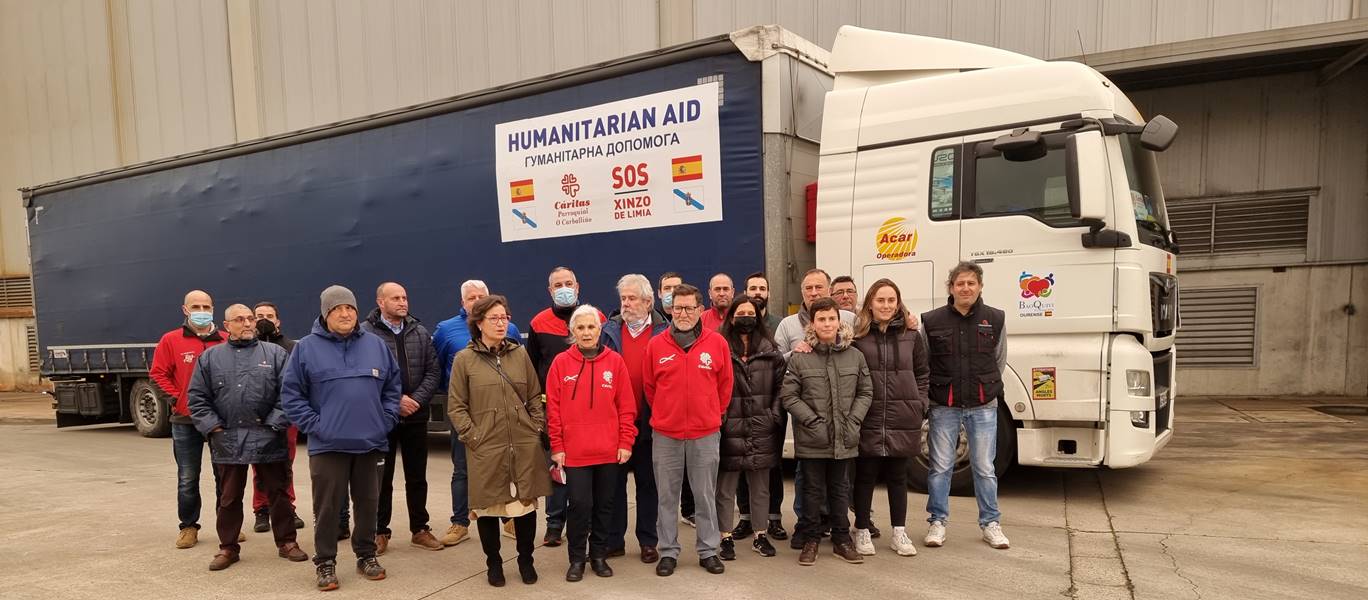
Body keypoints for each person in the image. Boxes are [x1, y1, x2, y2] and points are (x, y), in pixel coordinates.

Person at [281, 285, 401, 591]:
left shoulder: (375, 345)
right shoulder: (306, 348)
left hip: (370, 443)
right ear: (325, 314)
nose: (345, 314)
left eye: (350, 308)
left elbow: (391, 388)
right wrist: (317, 426)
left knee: (368, 504)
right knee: (327, 507)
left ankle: (366, 555)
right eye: (337, 309)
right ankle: (325, 562)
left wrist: (384, 421)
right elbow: (292, 395)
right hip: (327, 445)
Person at [186, 304, 308, 570]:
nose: (248, 323)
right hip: (228, 440)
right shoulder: (210, 358)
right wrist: (214, 427)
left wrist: (275, 424)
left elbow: (290, 393)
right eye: (239, 319)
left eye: (250, 318)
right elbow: (197, 397)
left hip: (269, 438)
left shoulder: (276, 354)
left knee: (279, 493)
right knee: (228, 497)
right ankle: (228, 548)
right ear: (226, 326)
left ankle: (287, 542)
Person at [448, 295, 551, 587]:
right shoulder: (464, 360)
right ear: (478, 323)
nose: (501, 323)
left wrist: (535, 427)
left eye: (504, 317)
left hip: (522, 444)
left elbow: (534, 395)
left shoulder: (519, 355)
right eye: (494, 318)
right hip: (486, 447)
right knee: (488, 509)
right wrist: (474, 436)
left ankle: (526, 560)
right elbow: (456, 407)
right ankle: (494, 563)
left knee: (524, 508)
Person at [919, 262, 1010, 550]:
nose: (966, 288)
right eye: (960, 283)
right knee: (940, 467)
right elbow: (924, 361)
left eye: (971, 283)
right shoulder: (931, 321)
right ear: (951, 287)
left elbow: (999, 359)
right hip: (943, 404)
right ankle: (937, 522)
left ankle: (991, 524)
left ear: (980, 287)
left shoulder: (995, 318)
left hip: (983, 404)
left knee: (984, 467)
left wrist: (984, 388)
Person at [644, 284, 733, 577]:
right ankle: (668, 551)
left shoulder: (717, 343)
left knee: (705, 495)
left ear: (699, 310)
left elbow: (725, 386)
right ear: (671, 309)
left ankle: (708, 550)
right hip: (666, 434)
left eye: (689, 308)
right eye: (677, 307)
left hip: (705, 433)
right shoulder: (656, 345)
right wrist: (668, 414)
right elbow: (650, 388)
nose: (683, 313)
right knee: (667, 496)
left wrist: (708, 415)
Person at [547, 304, 638, 582]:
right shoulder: (561, 363)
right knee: (579, 506)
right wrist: (557, 447)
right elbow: (553, 409)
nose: (586, 333)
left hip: (609, 451)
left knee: (604, 506)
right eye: (581, 327)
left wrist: (626, 442)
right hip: (575, 453)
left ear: (600, 330)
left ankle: (598, 555)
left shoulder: (615, 362)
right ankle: (577, 559)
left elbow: (626, 407)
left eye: (592, 327)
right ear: (572, 331)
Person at [779, 297, 872, 566]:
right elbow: (789, 396)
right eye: (822, 319)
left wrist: (854, 421)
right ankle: (811, 540)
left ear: (839, 321)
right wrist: (813, 422)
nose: (827, 323)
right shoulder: (801, 357)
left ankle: (842, 540)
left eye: (832, 318)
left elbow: (866, 392)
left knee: (840, 489)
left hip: (845, 436)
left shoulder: (855, 355)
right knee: (812, 491)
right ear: (813, 323)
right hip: (813, 438)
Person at [431, 279, 521, 546]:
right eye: (471, 298)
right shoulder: (446, 331)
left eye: (482, 296)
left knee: (503, 466)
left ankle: (507, 519)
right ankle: (460, 522)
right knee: (463, 469)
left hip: (501, 410)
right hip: (466, 412)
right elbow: (436, 368)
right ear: (463, 303)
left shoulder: (509, 327)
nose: (477, 301)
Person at [771, 269, 857, 548]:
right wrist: (796, 351)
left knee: (839, 484)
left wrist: (852, 420)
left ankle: (837, 527)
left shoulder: (851, 325)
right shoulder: (787, 326)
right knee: (807, 481)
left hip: (842, 426)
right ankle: (807, 527)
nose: (813, 292)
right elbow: (780, 371)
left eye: (819, 287)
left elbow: (863, 382)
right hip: (810, 429)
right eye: (808, 288)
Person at [359, 283, 444, 554]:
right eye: (395, 298)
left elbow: (433, 371)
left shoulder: (419, 331)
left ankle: (420, 528)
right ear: (380, 302)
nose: (402, 302)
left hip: (416, 416)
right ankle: (380, 531)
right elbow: (361, 374)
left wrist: (416, 400)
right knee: (382, 477)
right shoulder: (365, 333)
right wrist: (394, 401)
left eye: (405, 297)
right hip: (382, 417)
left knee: (417, 476)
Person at [525, 267, 605, 547]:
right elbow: (531, 369)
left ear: (578, 286)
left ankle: (588, 522)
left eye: (568, 283)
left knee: (590, 470)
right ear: (550, 291)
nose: (564, 288)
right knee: (557, 467)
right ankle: (554, 524)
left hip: (591, 410)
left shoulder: (596, 319)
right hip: (554, 408)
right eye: (558, 285)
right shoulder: (538, 323)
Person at [851, 279, 929, 557]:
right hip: (868, 415)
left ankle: (899, 532)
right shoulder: (857, 337)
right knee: (865, 476)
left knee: (898, 476)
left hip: (903, 416)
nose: (886, 305)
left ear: (898, 303)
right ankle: (861, 529)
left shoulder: (911, 335)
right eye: (880, 300)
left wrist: (920, 403)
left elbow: (922, 373)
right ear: (870, 303)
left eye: (891, 300)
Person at [150, 289, 228, 550]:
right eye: (196, 306)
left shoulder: (226, 340)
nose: (202, 312)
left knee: (225, 476)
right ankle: (188, 527)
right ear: (185, 310)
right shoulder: (171, 340)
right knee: (187, 477)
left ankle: (227, 525)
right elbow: (158, 375)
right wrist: (177, 399)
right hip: (185, 421)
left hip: (219, 422)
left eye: (207, 306)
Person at [600, 274, 669, 563]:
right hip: (616, 423)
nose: (626, 304)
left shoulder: (664, 330)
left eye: (632, 298)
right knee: (613, 485)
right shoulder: (609, 331)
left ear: (648, 301)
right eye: (623, 299)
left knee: (648, 484)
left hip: (651, 421)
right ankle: (614, 540)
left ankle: (648, 541)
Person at [714, 297, 785, 560]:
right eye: (740, 313)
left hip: (761, 426)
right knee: (725, 488)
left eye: (750, 313)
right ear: (731, 317)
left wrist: (773, 415)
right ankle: (725, 538)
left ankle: (760, 535)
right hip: (728, 428)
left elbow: (781, 388)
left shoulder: (771, 350)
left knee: (760, 487)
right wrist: (719, 418)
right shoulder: (720, 348)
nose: (746, 317)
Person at [733, 271, 786, 541]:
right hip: (738, 416)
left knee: (770, 471)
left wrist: (774, 414)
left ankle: (772, 519)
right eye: (752, 287)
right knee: (741, 470)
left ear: (768, 293)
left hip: (765, 415)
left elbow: (781, 375)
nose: (757, 292)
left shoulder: (778, 325)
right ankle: (745, 518)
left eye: (762, 288)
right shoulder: (728, 334)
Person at [249, 301, 305, 535]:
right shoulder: (245, 347)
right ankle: (261, 510)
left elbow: (298, 381)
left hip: (286, 415)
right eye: (259, 315)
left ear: (278, 321)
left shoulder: (291, 347)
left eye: (269, 315)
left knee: (286, 465)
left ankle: (287, 507)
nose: (264, 319)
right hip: (256, 417)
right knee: (259, 466)